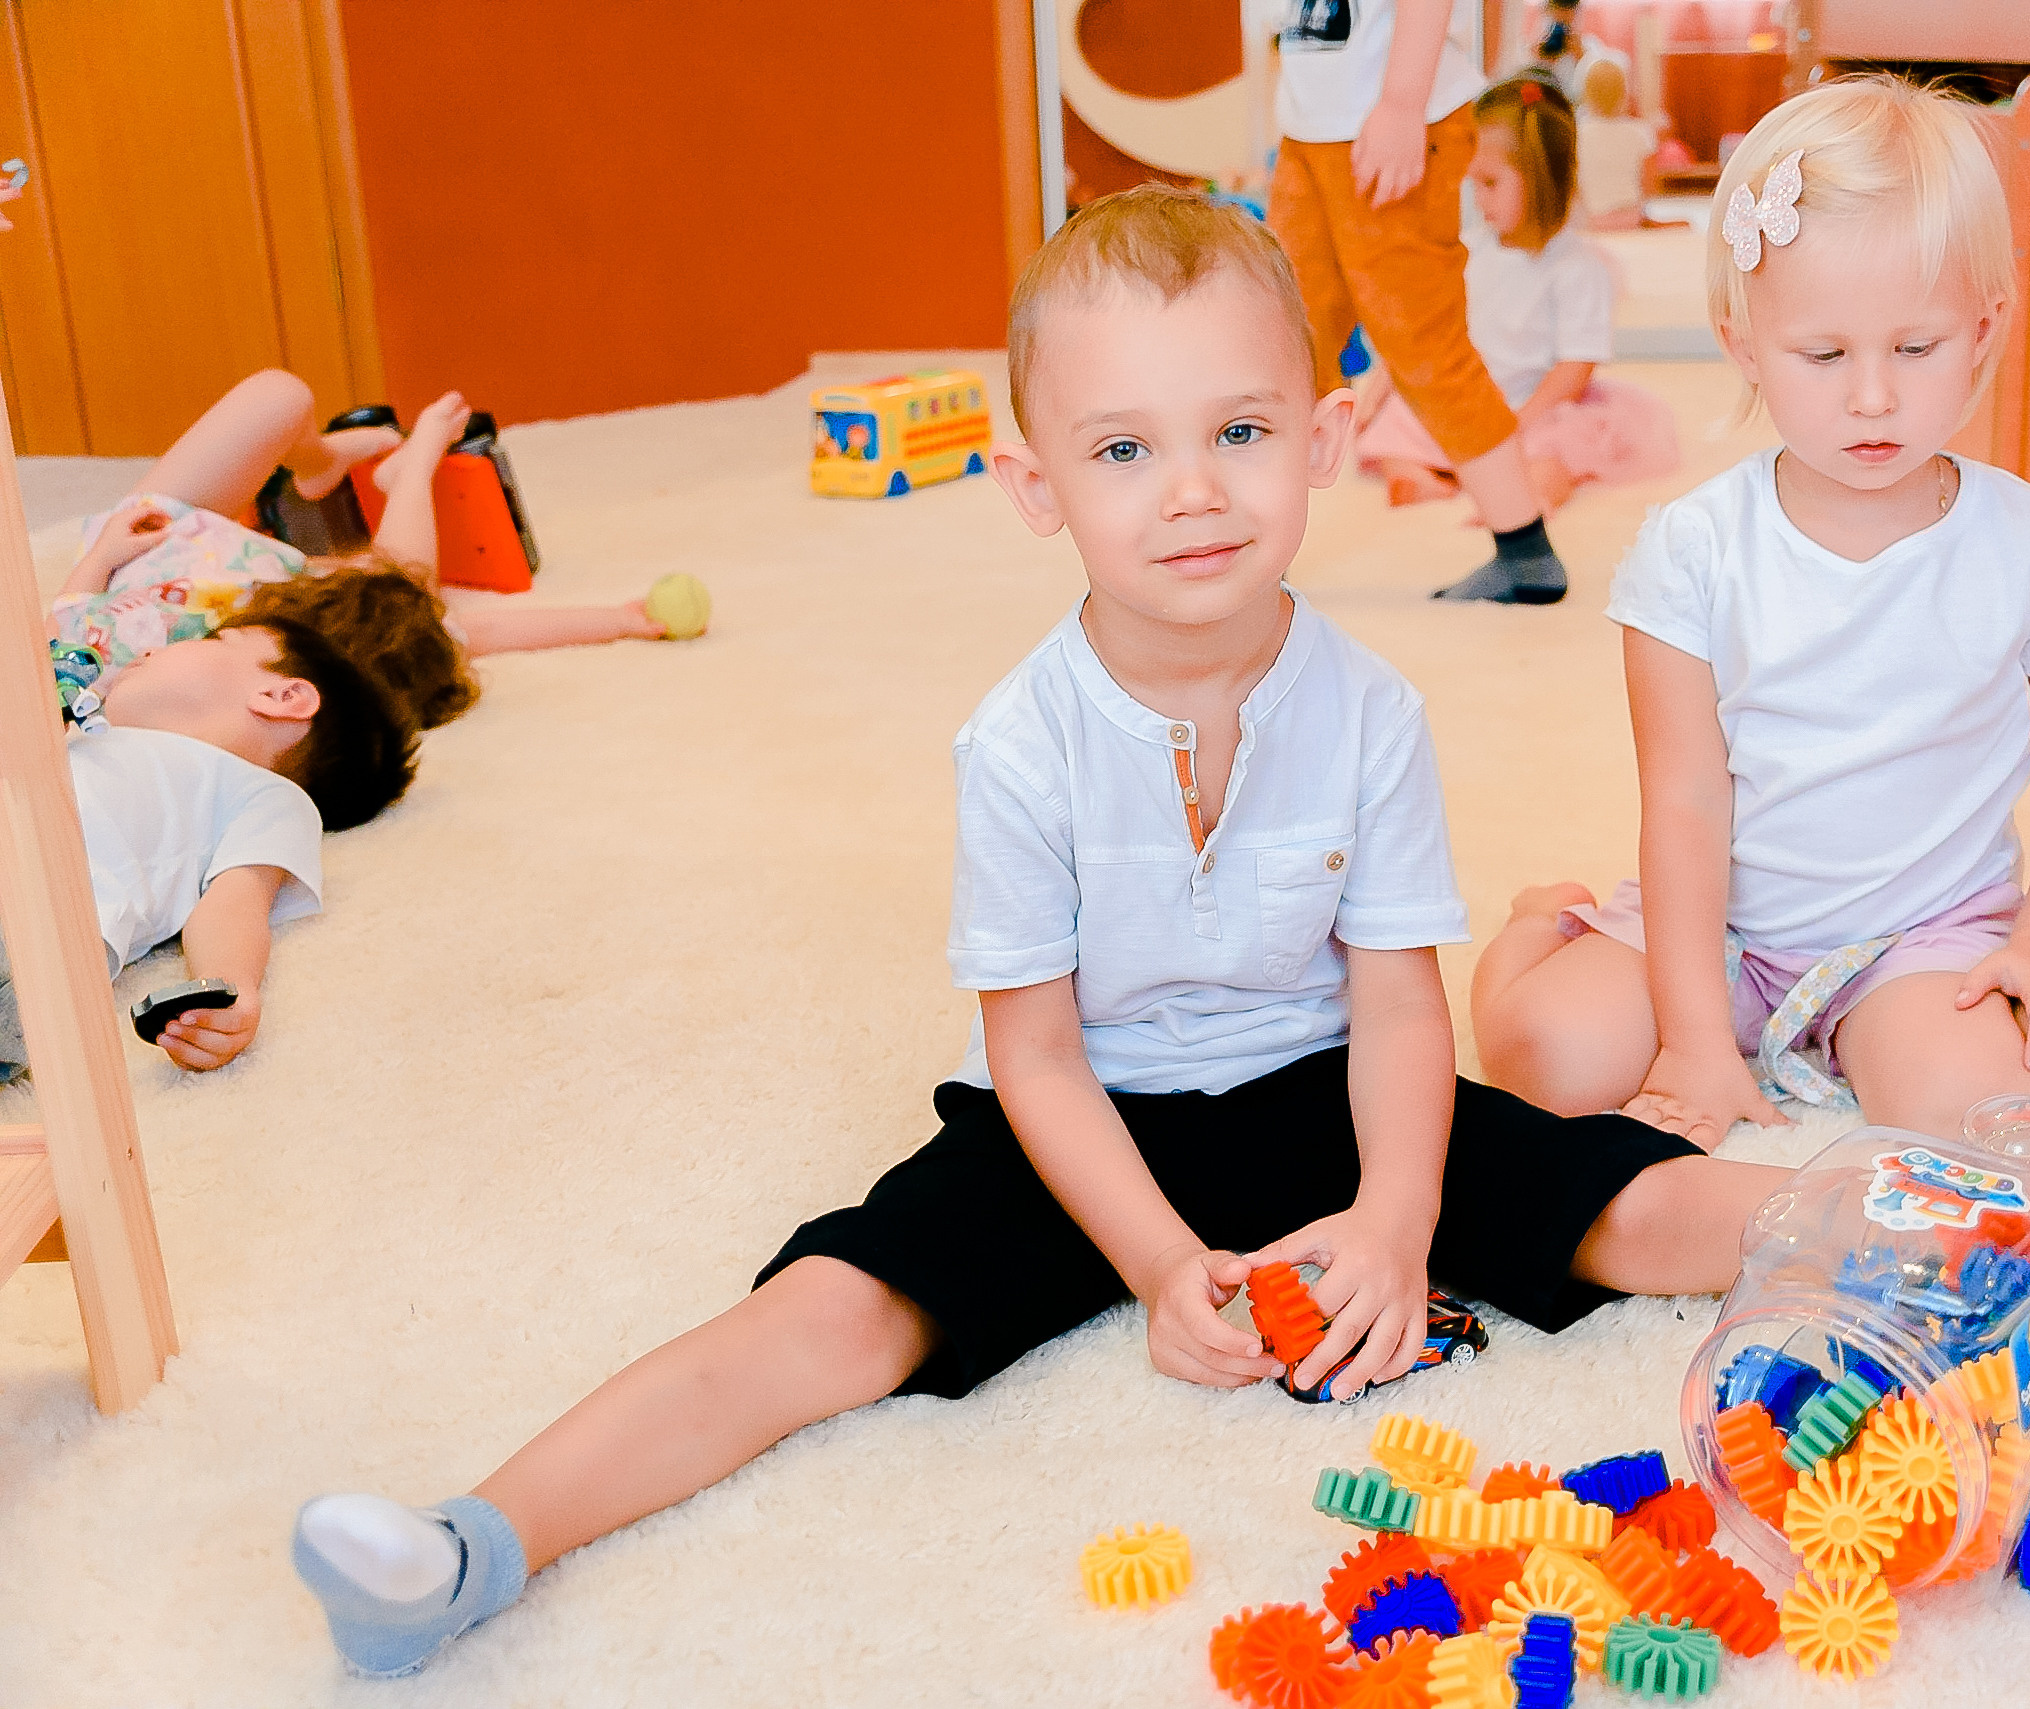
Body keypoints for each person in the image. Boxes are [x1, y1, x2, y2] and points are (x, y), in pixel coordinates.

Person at [284, 185, 1790, 1679]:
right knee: (827, 1316)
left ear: (1324, 441)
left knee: (1636, 1202)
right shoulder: (1016, 744)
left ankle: (1940, 1228)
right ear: (1033, 484)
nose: (1191, 491)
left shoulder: (1375, 712)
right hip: (1071, 1121)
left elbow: (1400, 1009)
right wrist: (1151, 1265)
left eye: (1241, 433)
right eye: (1125, 450)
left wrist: (1397, 1222)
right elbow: (1040, 1053)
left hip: (1325, 1092)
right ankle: (473, 1542)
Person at [1467, 78, 2030, 1149]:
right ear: (1742, 343)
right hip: (1718, 934)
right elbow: (1684, 800)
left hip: (1921, 942)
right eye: (1823, 356)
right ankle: (1528, 926)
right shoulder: (1693, 549)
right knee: (1544, 1058)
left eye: (1914, 349)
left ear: (1983, 328)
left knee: (1987, 1112)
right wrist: (1691, 1034)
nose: (1871, 396)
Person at [52, 373, 707, 710]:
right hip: (239, 562)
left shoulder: (121, 672)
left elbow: (64, 628)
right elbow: (480, 632)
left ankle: (361, 463)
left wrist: (104, 554)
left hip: (153, 535)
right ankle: (383, 463)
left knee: (281, 395)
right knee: (402, 590)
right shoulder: (361, 634)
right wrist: (620, 619)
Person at [0, 607, 417, 1081]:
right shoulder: (80, 734)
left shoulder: (265, 793)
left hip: (36, 926)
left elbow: (237, 901)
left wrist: (228, 990)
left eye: (215, 639)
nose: (149, 649)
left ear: (281, 696)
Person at [1267, 0, 1574, 603]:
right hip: (1310, 132)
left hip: (1389, 126)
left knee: (1423, 342)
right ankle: (1252, 553)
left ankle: (1525, 551)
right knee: (1284, 340)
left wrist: (1402, 106)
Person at [1354, 75, 1679, 514]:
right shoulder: (1470, 250)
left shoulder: (1576, 268)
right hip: (1469, 399)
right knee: (1398, 424)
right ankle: (1412, 476)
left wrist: (1522, 419)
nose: (1478, 198)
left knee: (1558, 450)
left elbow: (1574, 368)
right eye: (1475, 183)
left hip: (1537, 404)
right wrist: (1386, 381)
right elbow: (1431, 325)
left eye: (1490, 184)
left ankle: (1537, 495)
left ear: (1541, 180)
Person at [1574, 58, 1662, 229]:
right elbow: (1651, 186)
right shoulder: (1641, 132)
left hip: (1590, 219)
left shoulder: (1576, 133)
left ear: (1587, 94)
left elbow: (1571, 187)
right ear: (1624, 92)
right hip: (1631, 217)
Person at [1534, 0, 1629, 104]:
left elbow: (1605, 90)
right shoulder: (1535, 49)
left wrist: (1581, 57)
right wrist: (1539, 64)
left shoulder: (1590, 47)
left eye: (1566, 25)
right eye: (1556, 25)